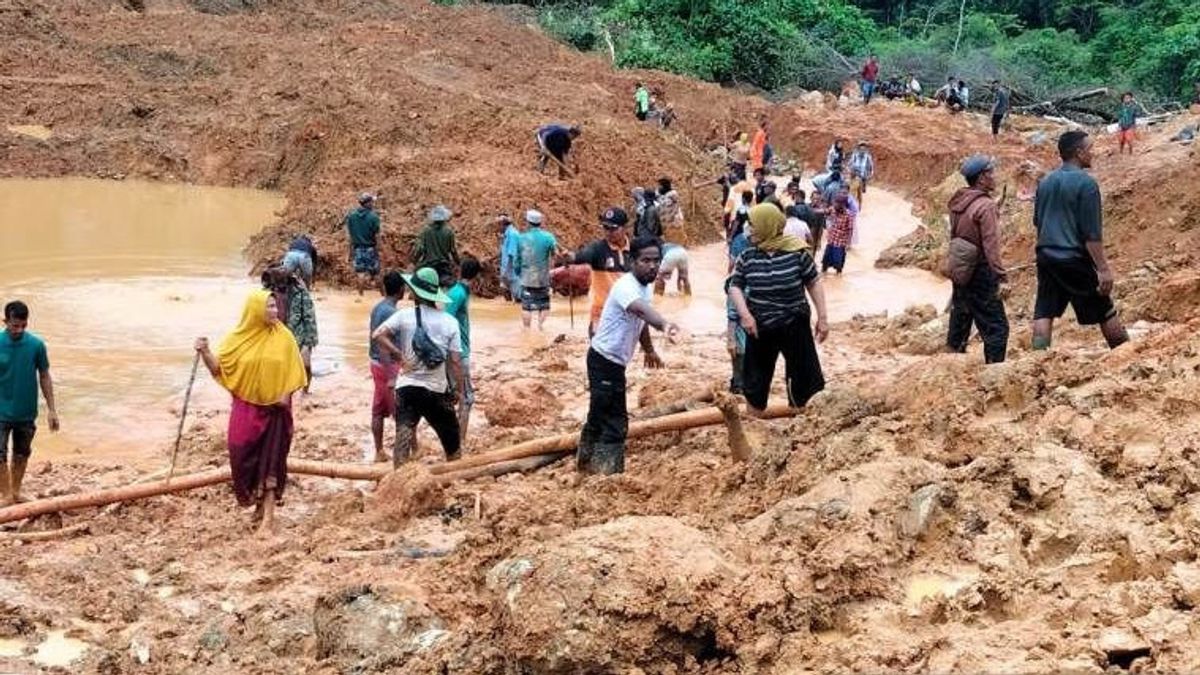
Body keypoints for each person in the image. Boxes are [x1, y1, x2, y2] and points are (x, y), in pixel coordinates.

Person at [194, 290, 307, 533]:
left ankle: (268, 517)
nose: (274, 311)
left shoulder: (284, 337)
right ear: (254, 310)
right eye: (268, 307)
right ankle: (256, 505)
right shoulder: (237, 339)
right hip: (246, 408)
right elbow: (220, 369)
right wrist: (205, 352)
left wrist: (285, 396)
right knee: (240, 451)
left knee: (272, 461)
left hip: (276, 411)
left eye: (275, 306)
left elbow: (294, 370)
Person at [578, 237, 681, 474]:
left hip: (614, 362)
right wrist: (665, 325)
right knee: (613, 420)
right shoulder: (626, 286)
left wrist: (649, 350)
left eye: (657, 261)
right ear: (633, 261)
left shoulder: (644, 286)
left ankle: (586, 463)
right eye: (646, 260)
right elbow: (640, 310)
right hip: (604, 360)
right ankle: (607, 473)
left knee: (600, 413)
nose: (653, 266)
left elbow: (641, 319)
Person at [1032, 131, 1129, 350]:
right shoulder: (1086, 185)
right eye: (1090, 149)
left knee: (1044, 310)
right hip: (1073, 258)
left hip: (1046, 256)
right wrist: (1103, 269)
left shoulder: (1045, 182)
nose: (1093, 153)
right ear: (1078, 153)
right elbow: (1091, 235)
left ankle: (1036, 357)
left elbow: (1038, 222)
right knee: (1104, 309)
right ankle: (1124, 352)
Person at [728, 204, 829, 414]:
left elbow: (814, 283)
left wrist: (823, 318)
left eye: (753, 224)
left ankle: (801, 420)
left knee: (803, 377)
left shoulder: (798, 253)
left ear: (768, 226)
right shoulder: (747, 258)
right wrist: (745, 316)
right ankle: (754, 423)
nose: (749, 229)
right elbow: (734, 286)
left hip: (795, 323)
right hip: (759, 326)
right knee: (755, 380)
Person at [371, 267, 466, 465]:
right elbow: (456, 362)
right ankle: (455, 473)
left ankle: (399, 475)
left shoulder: (404, 316)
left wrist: (397, 354)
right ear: (435, 294)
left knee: (403, 435)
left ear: (415, 293)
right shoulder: (450, 322)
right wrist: (459, 390)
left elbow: (378, 335)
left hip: (407, 388)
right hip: (435, 390)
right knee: (452, 443)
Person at [946, 156, 1009, 364]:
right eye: (991, 172)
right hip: (981, 273)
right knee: (997, 327)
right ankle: (994, 372)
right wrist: (1001, 276)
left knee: (960, 320)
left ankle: (950, 367)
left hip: (960, 269)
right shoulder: (985, 206)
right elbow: (991, 246)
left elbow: (964, 229)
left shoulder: (959, 201)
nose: (994, 176)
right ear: (982, 178)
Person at [0, 301, 58, 506]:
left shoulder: (36, 345)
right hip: (1, 411)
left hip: (26, 411)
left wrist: (52, 410)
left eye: (23, 325)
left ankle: (16, 491)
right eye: (15, 325)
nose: (19, 330)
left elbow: (44, 375)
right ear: (5, 321)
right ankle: (6, 495)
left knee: (22, 453)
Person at [569, 207, 631, 335]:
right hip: (601, 314)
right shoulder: (598, 249)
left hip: (626, 313)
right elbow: (582, 256)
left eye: (613, 228)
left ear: (625, 228)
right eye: (605, 228)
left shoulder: (635, 250)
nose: (608, 232)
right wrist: (570, 257)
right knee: (598, 351)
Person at [262, 266, 318, 395]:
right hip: (276, 335)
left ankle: (305, 391)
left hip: (299, 333)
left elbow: (309, 316)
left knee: (306, 365)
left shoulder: (300, 292)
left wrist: (309, 341)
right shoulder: (266, 293)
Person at [368, 271, 405, 463]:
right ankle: (406, 452)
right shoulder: (392, 313)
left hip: (375, 363)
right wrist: (392, 373)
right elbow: (384, 344)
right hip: (387, 365)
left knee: (378, 409)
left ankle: (379, 451)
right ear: (401, 290)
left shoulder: (377, 308)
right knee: (400, 411)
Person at [445, 257, 478, 444]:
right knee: (466, 398)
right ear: (476, 277)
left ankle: (453, 438)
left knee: (454, 396)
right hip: (458, 353)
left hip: (455, 352)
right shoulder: (459, 294)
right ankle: (459, 441)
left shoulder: (458, 291)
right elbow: (447, 319)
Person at [515, 209, 560, 330]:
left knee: (526, 306)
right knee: (544, 305)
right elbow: (557, 254)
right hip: (543, 278)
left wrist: (518, 272)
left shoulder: (521, 238)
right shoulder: (549, 237)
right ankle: (540, 326)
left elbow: (517, 259)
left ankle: (527, 329)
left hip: (526, 278)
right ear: (540, 223)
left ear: (528, 222)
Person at [412, 205, 460, 284]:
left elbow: (420, 249)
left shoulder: (425, 231)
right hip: (443, 267)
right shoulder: (449, 232)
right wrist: (458, 263)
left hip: (428, 266)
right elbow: (453, 251)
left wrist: (414, 262)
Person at [345, 192, 381, 297]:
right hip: (370, 248)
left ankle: (361, 296)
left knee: (360, 274)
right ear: (367, 203)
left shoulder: (351, 217)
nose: (373, 204)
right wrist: (379, 249)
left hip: (358, 249)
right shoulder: (373, 217)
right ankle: (383, 296)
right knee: (376, 273)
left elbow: (350, 236)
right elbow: (377, 235)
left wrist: (350, 251)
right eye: (371, 202)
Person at [822, 193, 855, 274]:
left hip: (840, 243)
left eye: (837, 203)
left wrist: (848, 243)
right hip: (831, 240)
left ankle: (838, 277)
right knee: (825, 262)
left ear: (843, 204)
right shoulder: (832, 209)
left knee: (838, 264)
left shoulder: (849, 215)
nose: (835, 205)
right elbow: (824, 212)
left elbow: (850, 230)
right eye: (834, 203)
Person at [498, 213, 522, 304]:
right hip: (507, 271)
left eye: (499, 225)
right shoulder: (507, 234)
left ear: (503, 224)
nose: (498, 227)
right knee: (504, 290)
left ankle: (517, 311)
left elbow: (511, 255)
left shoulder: (512, 234)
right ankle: (509, 310)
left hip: (512, 272)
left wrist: (505, 272)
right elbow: (505, 251)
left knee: (518, 297)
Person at [656, 177, 685, 243]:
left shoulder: (672, 195)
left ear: (664, 186)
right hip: (666, 223)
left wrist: (671, 218)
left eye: (660, 186)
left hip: (674, 222)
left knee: (675, 240)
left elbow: (675, 208)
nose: (659, 188)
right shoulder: (662, 196)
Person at [848, 141, 875, 206]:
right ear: (859, 148)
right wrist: (850, 169)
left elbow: (871, 164)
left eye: (864, 148)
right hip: (856, 173)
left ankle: (858, 200)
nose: (862, 149)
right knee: (855, 187)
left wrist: (871, 172)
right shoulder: (855, 155)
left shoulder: (867, 156)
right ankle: (855, 201)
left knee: (861, 189)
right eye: (861, 148)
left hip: (863, 174)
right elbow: (850, 162)